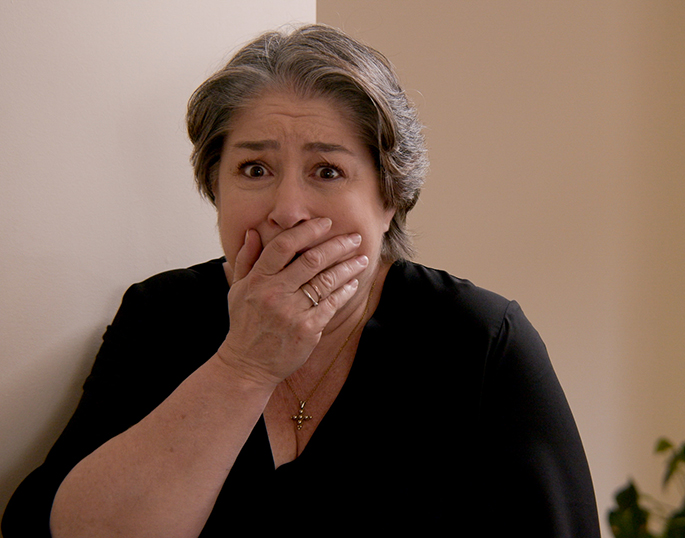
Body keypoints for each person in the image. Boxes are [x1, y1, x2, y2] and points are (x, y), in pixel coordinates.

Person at [2, 24, 600, 537]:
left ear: (389, 199)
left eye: (327, 170)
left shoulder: (481, 339)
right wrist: (244, 366)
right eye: (254, 168)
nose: (288, 209)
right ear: (216, 189)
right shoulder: (162, 313)